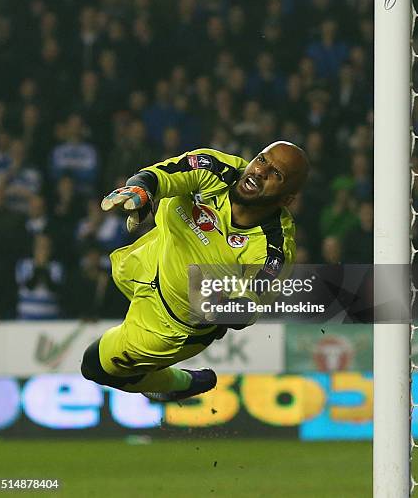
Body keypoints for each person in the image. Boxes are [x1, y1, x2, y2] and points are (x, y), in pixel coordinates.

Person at [81, 142, 309, 402]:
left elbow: (248, 307)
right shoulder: (216, 169)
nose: (259, 171)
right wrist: (142, 190)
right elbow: (157, 176)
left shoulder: (274, 249)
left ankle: (181, 382)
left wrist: (222, 310)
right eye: (261, 159)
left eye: (276, 174)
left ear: (287, 199)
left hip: (168, 322)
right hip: (144, 259)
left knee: (94, 366)